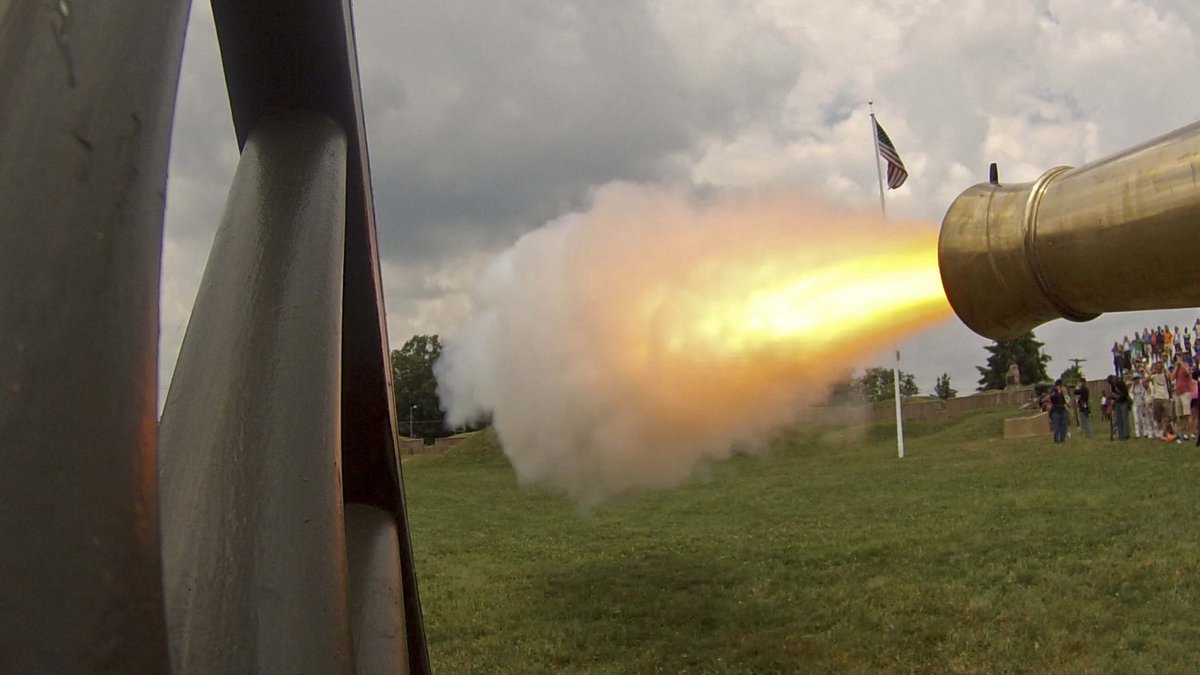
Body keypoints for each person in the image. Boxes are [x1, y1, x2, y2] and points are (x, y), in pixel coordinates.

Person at [1172, 355, 1194, 440]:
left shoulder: (1185, 364)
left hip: (1186, 392)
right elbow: (1172, 377)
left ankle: (1190, 432)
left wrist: (1180, 363)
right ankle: (1183, 433)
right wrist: (1176, 367)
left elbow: (1187, 373)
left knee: (1187, 414)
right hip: (1178, 393)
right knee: (1180, 415)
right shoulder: (1176, 367)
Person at [1148, 362, 1170, 440]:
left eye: (1160, 367)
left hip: (1165, 397)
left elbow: (1170, 377)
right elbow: (1145, 381)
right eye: (1157, 367)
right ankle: (1161, 433)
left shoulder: (1165, 375)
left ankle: (1164, 432)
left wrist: (1165, 370)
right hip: (1157, 398)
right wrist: (1151, 372)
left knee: (1166, 417)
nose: (1158, 368)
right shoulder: (1154, 376)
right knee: (1158, 417)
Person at [1107, 374, 1131, 440]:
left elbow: (1125, 393)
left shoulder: (1121, 383)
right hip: (1117, 403)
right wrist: (1111, 397)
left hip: (1123, 402)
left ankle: (1126, 434)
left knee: (1125, 419)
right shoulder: (1112, 386)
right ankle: (1121, 435)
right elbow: (1113, 394)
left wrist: (1119, 397)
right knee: (1118, 420)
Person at [1131, 373, 1149, 439]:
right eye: (1135, 379)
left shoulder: (1141, 386)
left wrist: (1144, 402)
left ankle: (1145, 433)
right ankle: (1137, 434)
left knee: (1143, 419)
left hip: (1141, 403)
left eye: (1137, 379)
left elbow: (1144, 394)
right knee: (1136, 419)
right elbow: (1131, 394)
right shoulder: (1132, 387)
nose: (1136, 380)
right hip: (1135, 404)